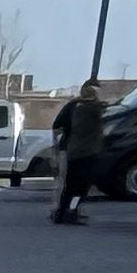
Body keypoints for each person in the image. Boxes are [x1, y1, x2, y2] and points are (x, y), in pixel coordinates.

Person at [49, 78, 109, 222]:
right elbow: (58, 126)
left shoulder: (76, 106)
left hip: (72, 151)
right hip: (85, 152)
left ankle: (62, 212)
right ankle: (70, 210)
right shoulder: (92, 109)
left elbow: (57, 127)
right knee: (81, 187)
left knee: (70, 185)